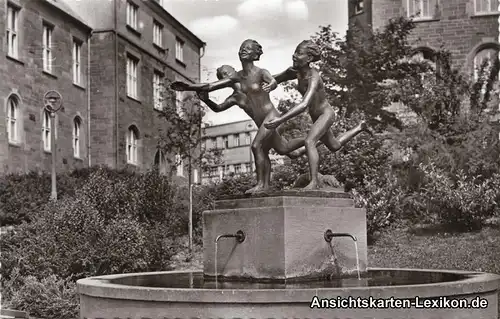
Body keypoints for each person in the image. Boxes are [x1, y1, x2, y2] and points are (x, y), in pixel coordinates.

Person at [171, 40, 306, 194]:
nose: (243, 50)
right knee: (286, 150)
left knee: (257, 147)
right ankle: (314, 139)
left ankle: (262, 186)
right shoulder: (236, 91)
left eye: (247, 49)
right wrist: (192, 90)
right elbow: (213, 96)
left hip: (272, 117)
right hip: (261, 122)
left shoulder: (259, 73)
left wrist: (273, 84)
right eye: (222, 75)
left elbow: (274, 80)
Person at [264, 40, 373, 190]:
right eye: (295, 52)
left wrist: (280, 120)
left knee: (310, 142)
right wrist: (267, 83)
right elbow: (276, 79)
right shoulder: (294, 71)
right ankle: (360, 127)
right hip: (316, 116)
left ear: (309, 58)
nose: (294, 56)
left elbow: (303, 105)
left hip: (326, 114)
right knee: (334, 145)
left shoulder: (313, 76)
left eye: (299, 53)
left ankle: (314, 182)